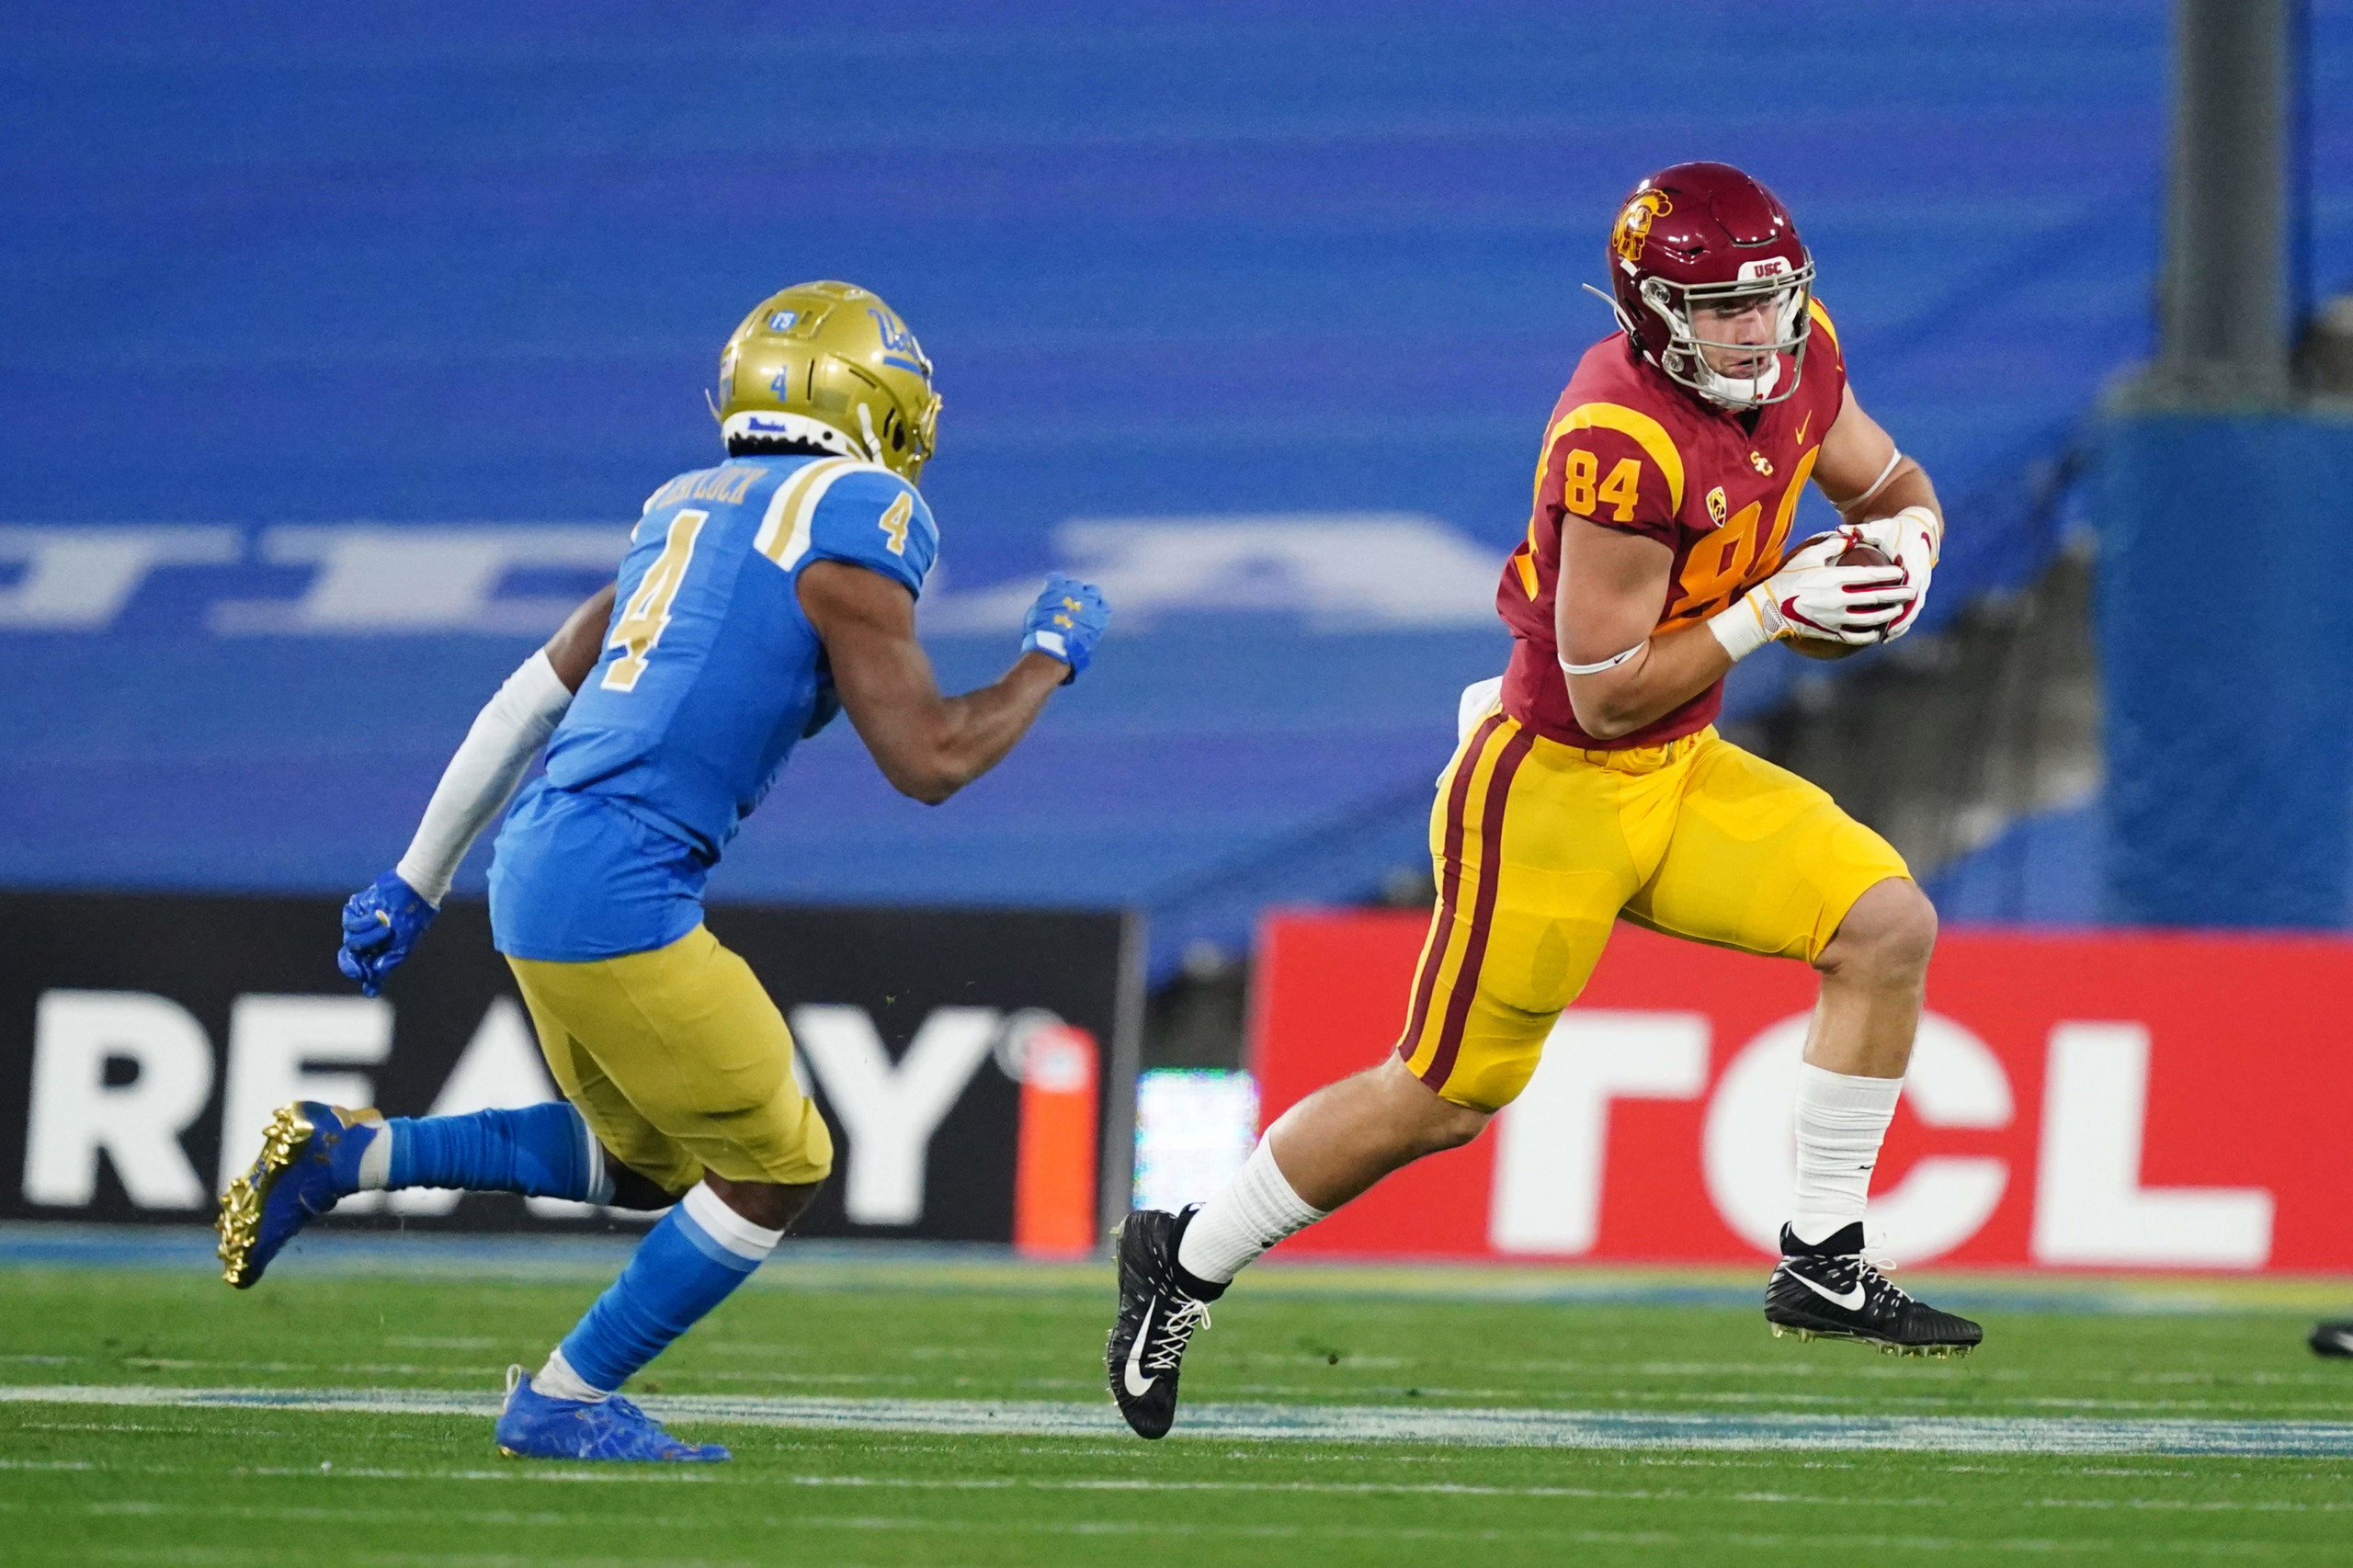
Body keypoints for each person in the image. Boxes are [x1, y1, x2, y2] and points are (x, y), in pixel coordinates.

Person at [1107, 162, 1978, 1439]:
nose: (1756, 331)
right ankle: (1181, 1259)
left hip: (1677, 766)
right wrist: (1769, 611)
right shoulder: (1617, 437)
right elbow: (1610, 690)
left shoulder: (1806, 356)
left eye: (1771, 300)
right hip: (1555, 783)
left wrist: (1903, 557)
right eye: (1721, 308)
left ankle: (1821, 1252)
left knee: (1887, 925)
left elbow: (1895, 490)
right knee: (1443, 1097)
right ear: (1651, 311)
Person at [215, 280, 1109, 1463]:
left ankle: (348, 1153)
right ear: (870, 402)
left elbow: (527, 698)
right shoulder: (855, 513)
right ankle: (564, 1396)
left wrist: (417, 876)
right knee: (784, 1162)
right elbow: (930, 760)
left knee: (646, 1162)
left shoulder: (686, 507)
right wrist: (1046, 660)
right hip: (618, 881)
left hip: (539, 864)